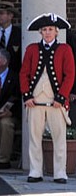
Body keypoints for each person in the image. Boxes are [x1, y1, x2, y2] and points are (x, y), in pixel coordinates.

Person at [20, 13, 75, 184]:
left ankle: (60, 172)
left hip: (56, 101)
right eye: (44, 30)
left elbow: (70, 74)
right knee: (34, 137)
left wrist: (61, 96)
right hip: (35, 100)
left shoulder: (65, 49)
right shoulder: (31, 49)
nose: (47, 32)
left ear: (57, 32)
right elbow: (24, 73)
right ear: (40, 32)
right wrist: (27, 95)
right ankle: (36, 171)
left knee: (59, 137)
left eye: (50, 29)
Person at [0, 49, 21, 169]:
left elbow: (19, 99)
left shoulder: (15, 77)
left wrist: (10, 112)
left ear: (4, 61)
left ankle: (3, 160)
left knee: (5, 124)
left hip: (9, 115)